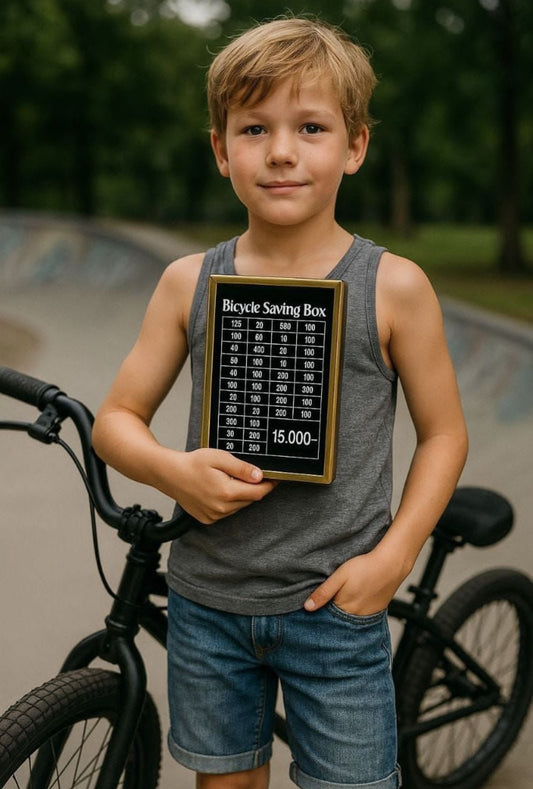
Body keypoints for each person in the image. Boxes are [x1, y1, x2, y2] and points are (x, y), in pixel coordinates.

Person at [92, 16, 468, 789]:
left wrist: (390, 560)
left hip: (336, 607)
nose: (282, 151)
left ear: (354, 146)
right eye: (254, 127)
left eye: (311, 126)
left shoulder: (391, 286)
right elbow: (114, 421)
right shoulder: (188, 281)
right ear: (220, 149)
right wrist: (173, 471)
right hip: (208, 603)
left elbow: (443, 434)